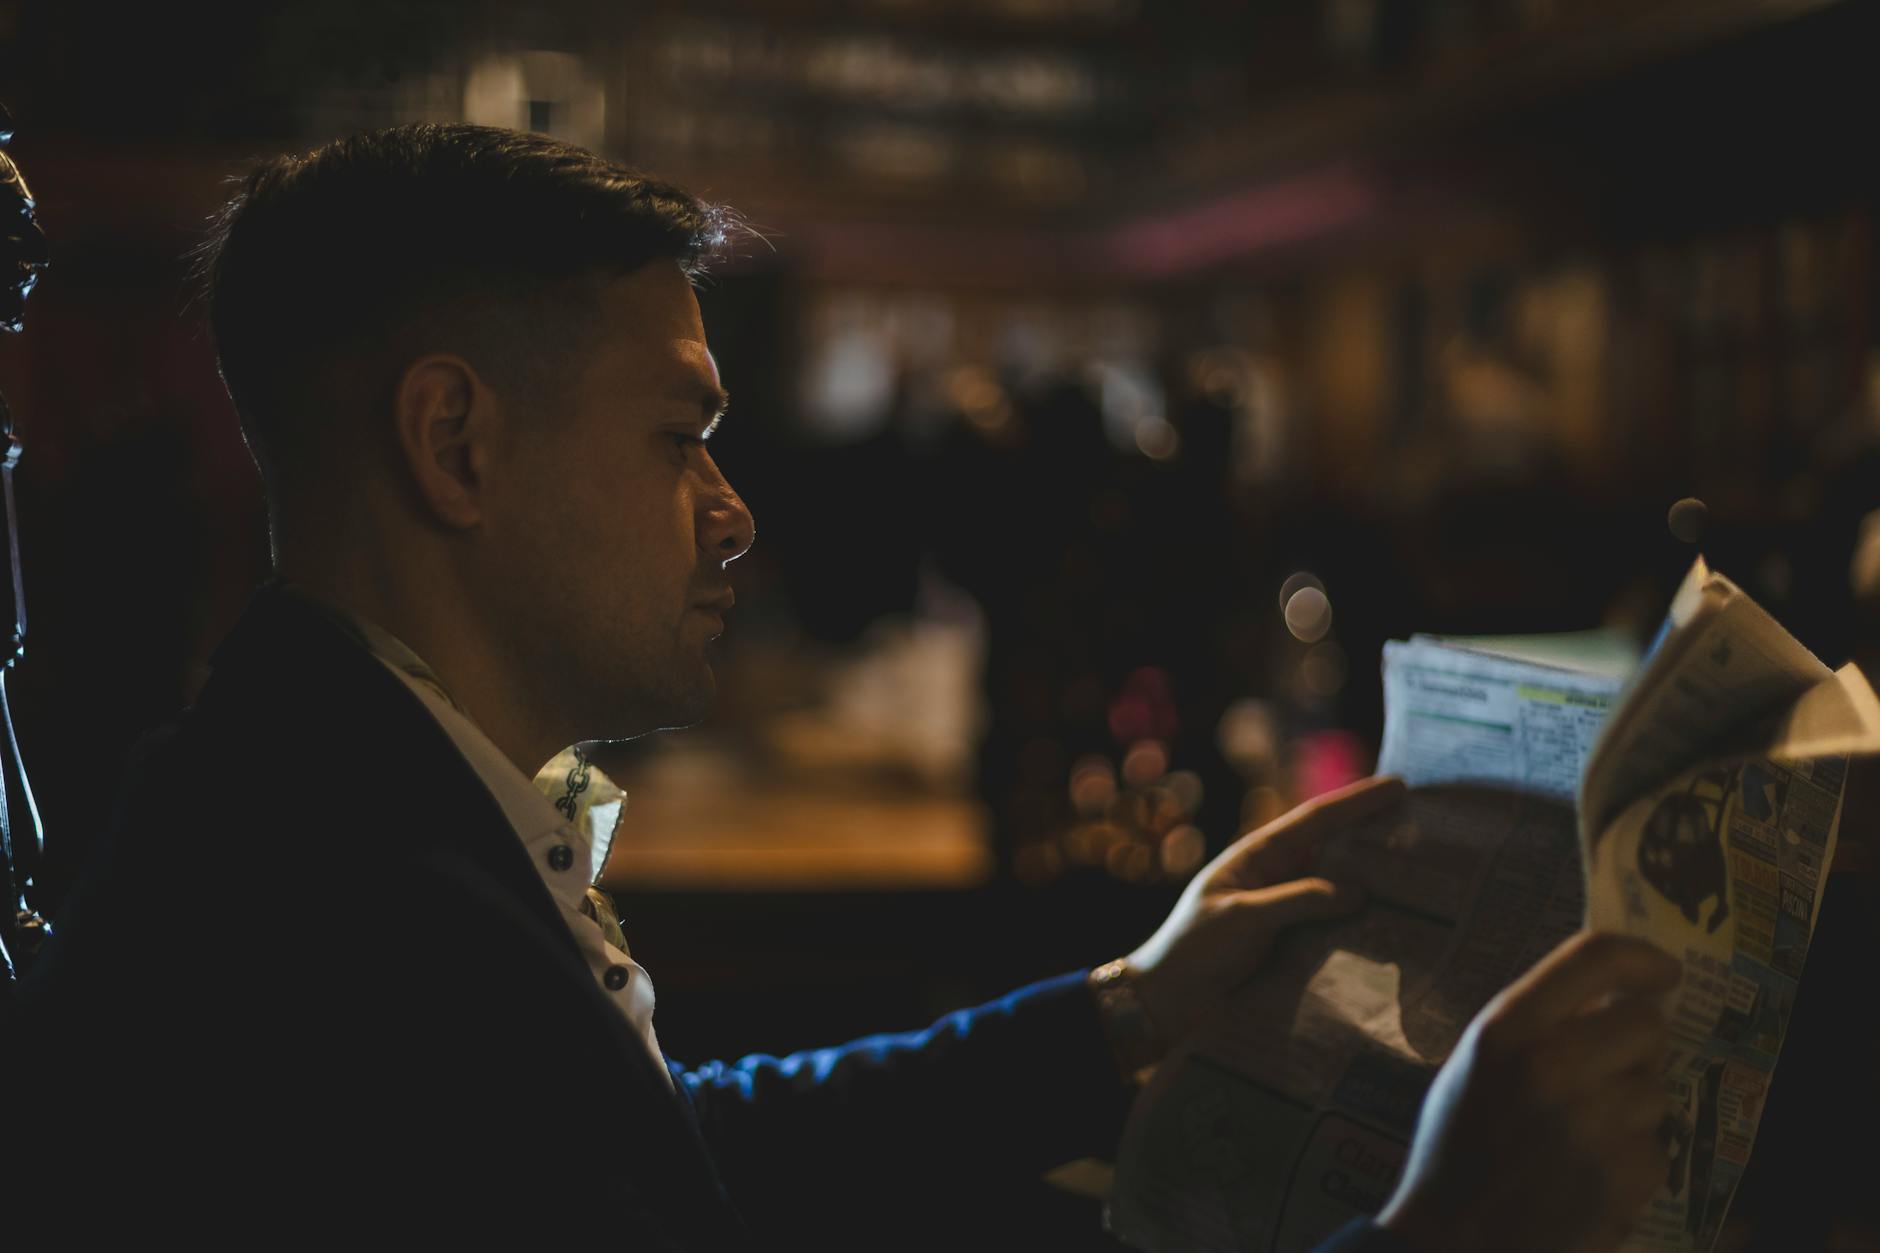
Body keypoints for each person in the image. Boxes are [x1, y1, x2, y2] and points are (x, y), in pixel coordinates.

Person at [18, 125, 1678, 1250]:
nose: (734, 512)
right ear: (457, 442)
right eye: (680, 441)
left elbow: (659, 1147)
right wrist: (1446, 1231)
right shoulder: (346, 918)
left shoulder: (320, 784)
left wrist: (1130, 1004)